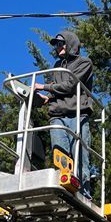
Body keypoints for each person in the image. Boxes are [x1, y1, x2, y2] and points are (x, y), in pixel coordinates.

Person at [36, 30, 94, 194]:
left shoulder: (85, 63)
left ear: (71, 43)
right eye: (56, 44)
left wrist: (44, 86)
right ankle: (64, 190)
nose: (58, 46)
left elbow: (70, 85)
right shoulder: (57, 66)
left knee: (81, 157)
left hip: (77, 115)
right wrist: (47, 97)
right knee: (60, 155)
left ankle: (84, 193)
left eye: (61, 43)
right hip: (58, 116)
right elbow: (57, 89)